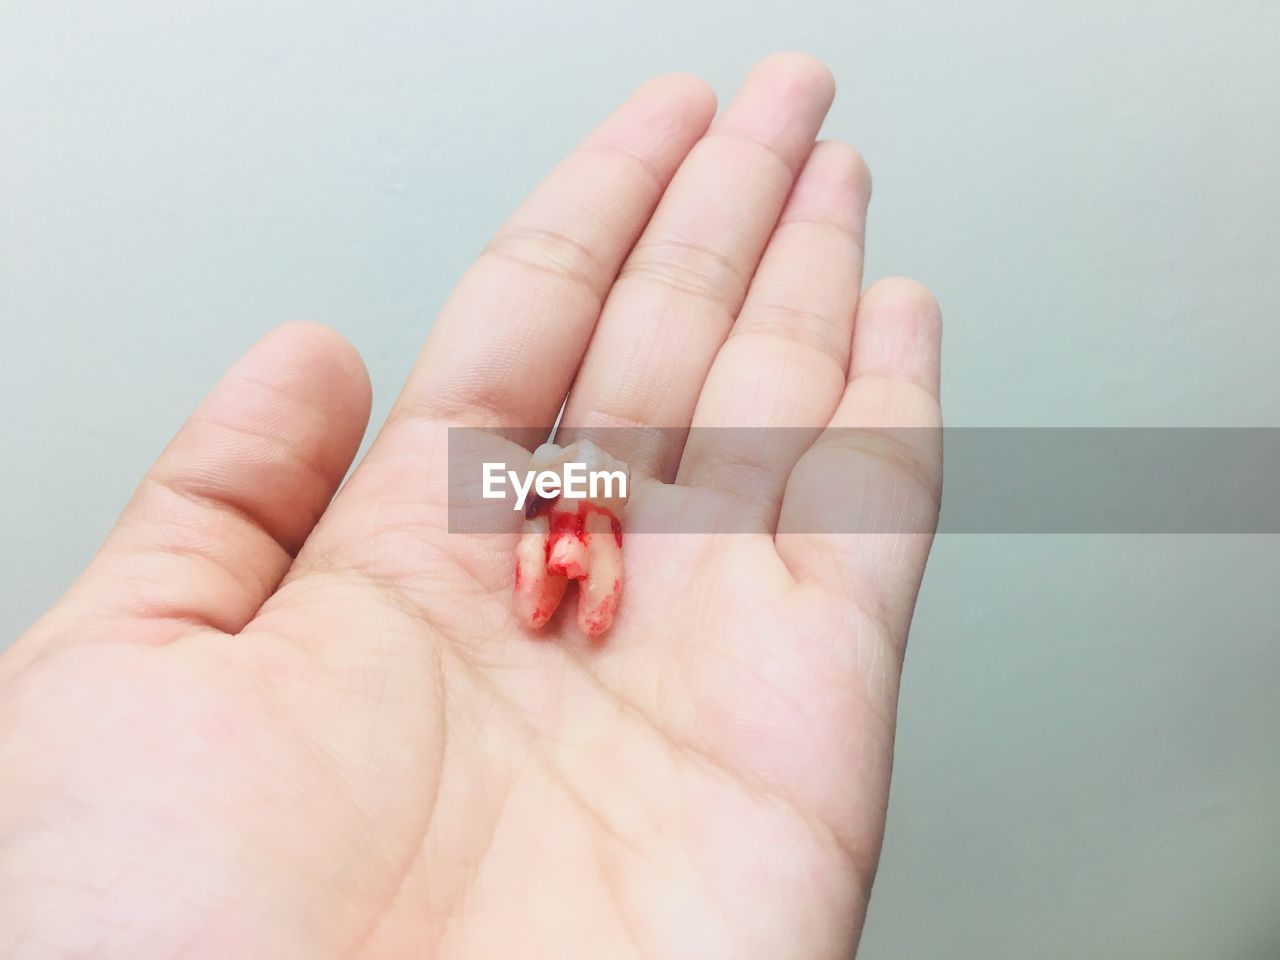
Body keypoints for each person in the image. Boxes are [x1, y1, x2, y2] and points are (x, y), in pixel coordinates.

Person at [0, 52, 942, 959]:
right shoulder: (550, 507)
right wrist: (560, 514)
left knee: (580, 557)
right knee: (567, 554)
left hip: (583, 527)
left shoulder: (582, 510)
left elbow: (564, 511)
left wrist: (578, 515)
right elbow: (540, 504)